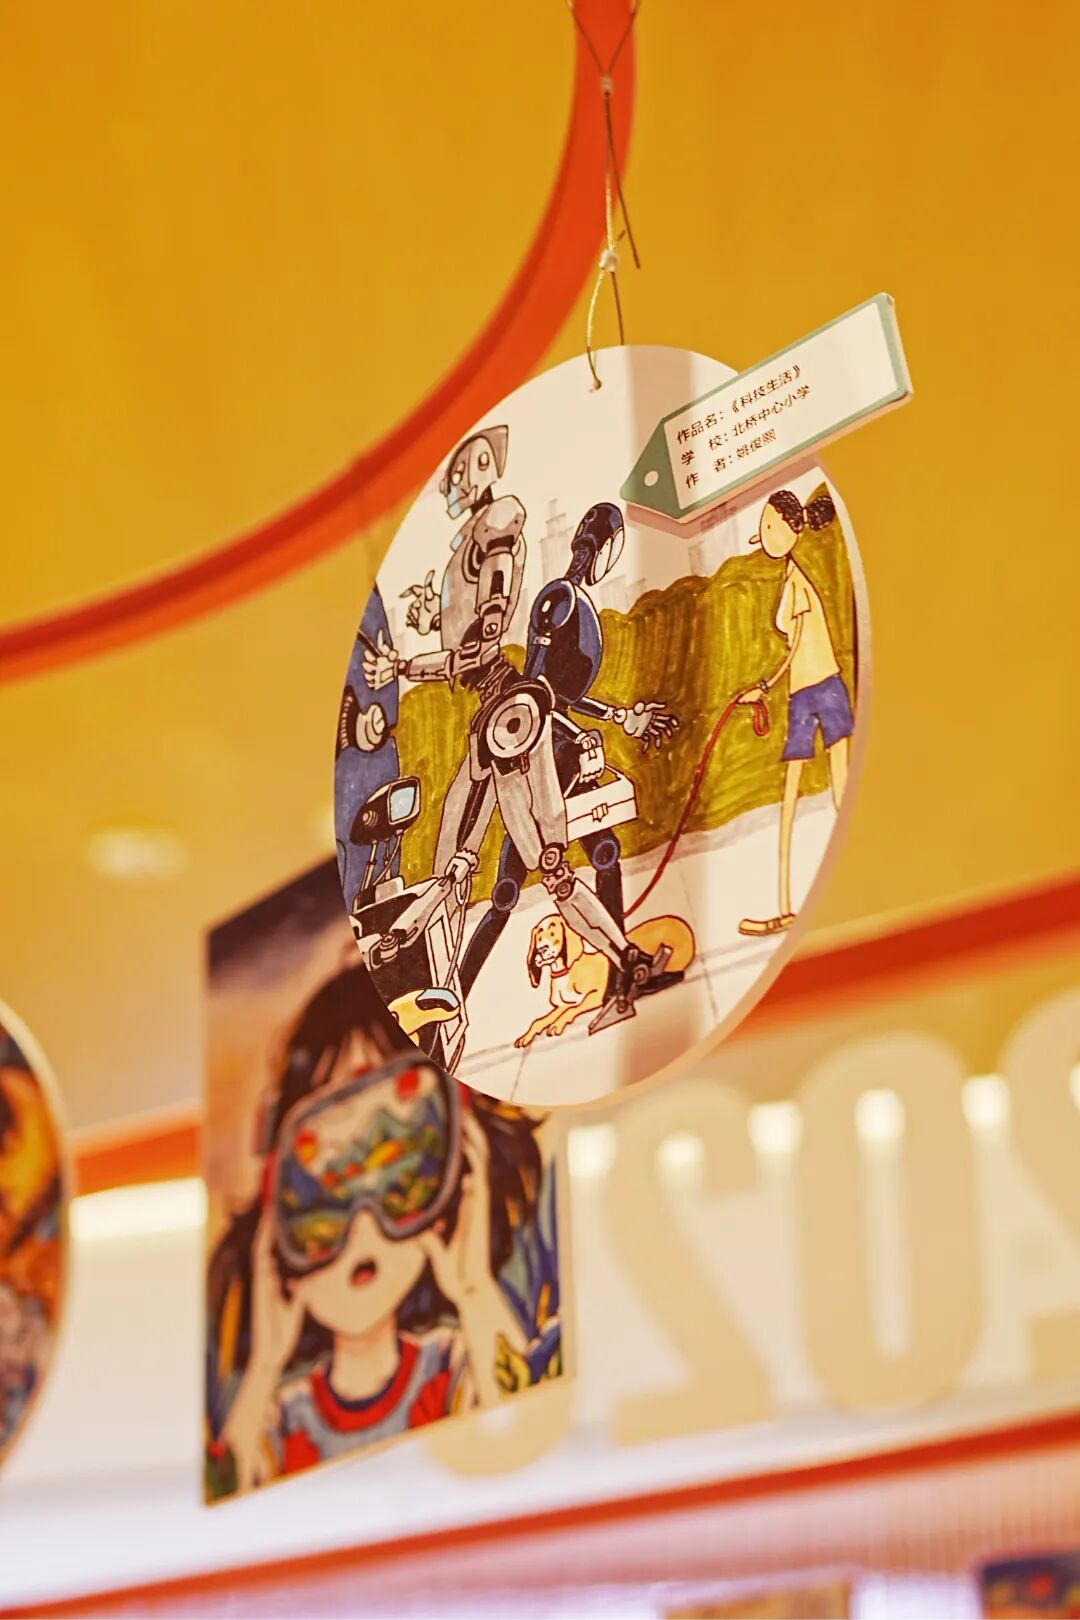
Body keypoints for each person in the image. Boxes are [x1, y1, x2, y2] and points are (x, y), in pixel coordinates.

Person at [205, 963, 560, 1497]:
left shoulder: (452, 1362)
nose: (363, 1226)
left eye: (398, 1167)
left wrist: (473, 1290)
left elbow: (522, 1426)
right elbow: (232, 1489)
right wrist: (264, 1366)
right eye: (325, 1191)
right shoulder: (279, 1414)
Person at [736, 488, 854, 937]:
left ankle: (842, 882)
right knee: (793, 798)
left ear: (789, 530)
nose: (762, 533)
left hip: (819, 688)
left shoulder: (797, 585)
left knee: (839, 789)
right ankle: (786, 905)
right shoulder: (790, 577)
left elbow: (796, 647)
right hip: (807, 692)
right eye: (763, 525)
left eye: (770, 525)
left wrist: (762, 687)